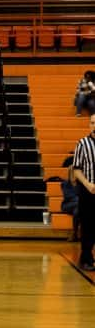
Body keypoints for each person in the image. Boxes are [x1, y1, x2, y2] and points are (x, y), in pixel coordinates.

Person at [71, 114, 95, 271]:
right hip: (88, 191)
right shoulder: (82, 143)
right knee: (88, 226)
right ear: (89, 125)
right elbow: (76, 169)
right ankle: (86, 258)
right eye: (92, 123)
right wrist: (87, 184)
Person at [60, 155, 80, 242]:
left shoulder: (82, 183)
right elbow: (69, 197)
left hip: (78, 206)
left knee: (78, 210)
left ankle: (75, 233)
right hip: (68, 205)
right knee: (79, 203)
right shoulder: (65, 183)